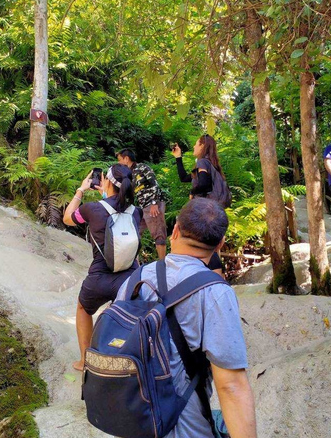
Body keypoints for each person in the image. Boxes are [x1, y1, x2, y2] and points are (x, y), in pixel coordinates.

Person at [115, 198, 257, 438]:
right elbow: (231, 385)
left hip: (133, 421)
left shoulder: (135, 279)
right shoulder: (216, 293)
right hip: (185, 429)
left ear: (175, 231)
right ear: (219, 245)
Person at [63, 164, 141, 372]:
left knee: (83, 308)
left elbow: (67, 218)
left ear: (106, 181)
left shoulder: (93, 209)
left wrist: (81, 190)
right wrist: (108, 193)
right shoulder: (136, 212)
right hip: (129, 278)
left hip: (100, 277)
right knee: (121, 315)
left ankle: (84, 361)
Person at [171, 134, 228, 274]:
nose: (194, 147)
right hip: (213, 211)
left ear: (203, 146)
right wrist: (178, 157)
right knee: (208, 246)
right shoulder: (210, 164)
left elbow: (204, 184)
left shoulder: (203, 162)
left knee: (203, 245)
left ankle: (215, 277)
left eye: (196, 144)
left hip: (204, 212)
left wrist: (192, 192)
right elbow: (184, 178)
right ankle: (217, 278)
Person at [116, 148, 167, 259]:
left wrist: (154, 203)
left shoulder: (142, 167)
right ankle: (132, 261)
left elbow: (153, 182)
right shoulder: (129, 174)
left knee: (158, 232)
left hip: (152, 203)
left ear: (126, 159)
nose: (119, 163)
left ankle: (162, 264)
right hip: (141, 207)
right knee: (135, 233)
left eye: (119, 160)